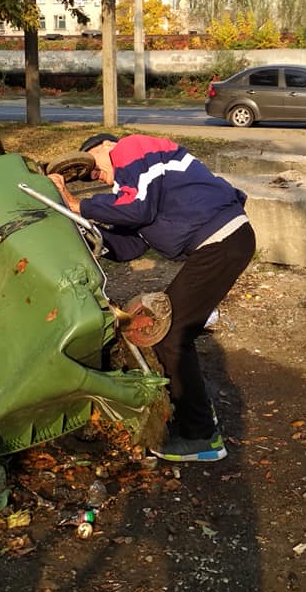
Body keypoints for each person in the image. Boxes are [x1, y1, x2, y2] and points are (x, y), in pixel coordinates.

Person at [48, 132, 255, 463]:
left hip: (223, 240)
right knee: (172, 333)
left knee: (170, 335)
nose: (93, 175)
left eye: (91, 165)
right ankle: (201, 418)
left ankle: (202, 439)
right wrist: (83, 233)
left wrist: (77, 204)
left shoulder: (132, 148)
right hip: (222, 244)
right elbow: (131, 243)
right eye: (87, 176)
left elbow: (136, 210)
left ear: (105, 147)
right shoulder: (135, 188)